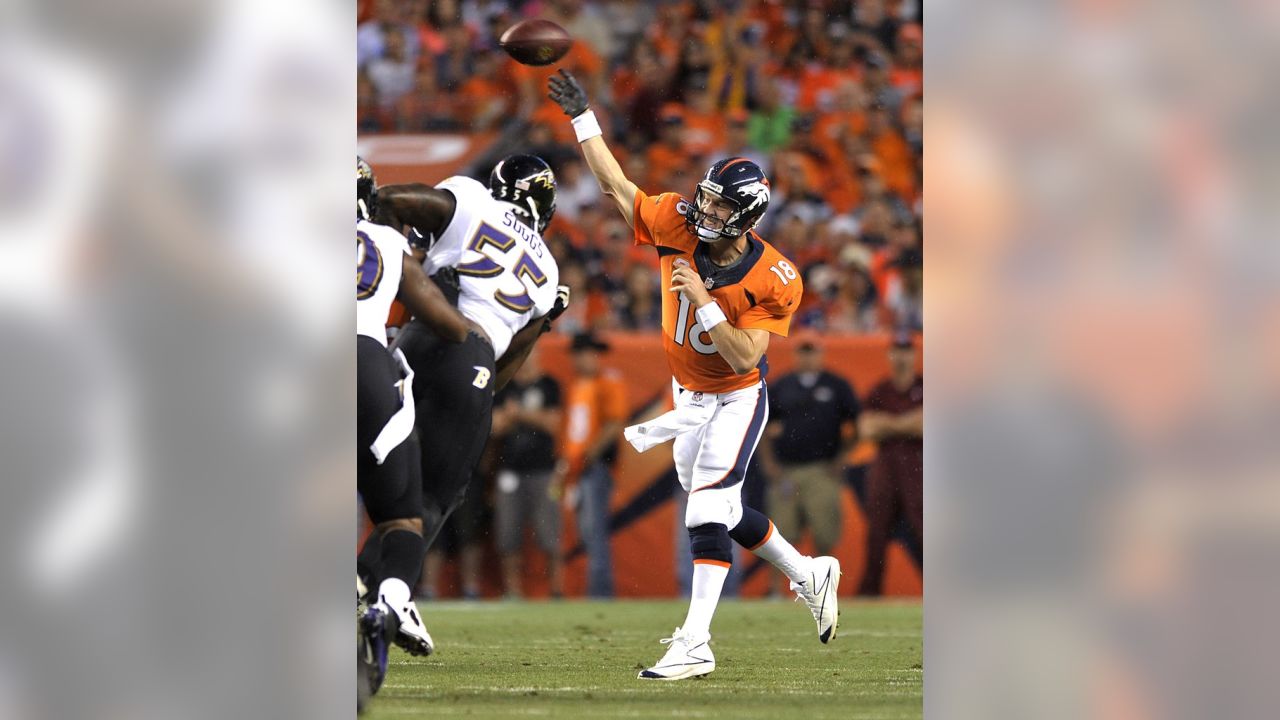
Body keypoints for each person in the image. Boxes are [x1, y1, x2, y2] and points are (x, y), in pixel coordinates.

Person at [548, 70, 842, 681]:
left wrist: (705, 302)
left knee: (707, 508)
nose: (704, 209)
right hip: (688, 395)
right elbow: (616, 187)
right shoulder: (678, 224)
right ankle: (809, 572)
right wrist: (584, 120)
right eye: (704, 196)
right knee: (723, 512)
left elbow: (742, 357)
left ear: (746, 217)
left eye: (719, 205)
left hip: (736, 398)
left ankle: (696, 641)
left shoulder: (775, 276)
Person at [374, 154, 571, 555]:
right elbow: (497, 378)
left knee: (369, 464)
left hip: (413, 338)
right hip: (473, 362)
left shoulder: (471, 197)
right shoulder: (548, 272)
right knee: (433, 495)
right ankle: (377, 591)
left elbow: (389, 199)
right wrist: (545, 322)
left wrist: (399, 275)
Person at [354, 158, 470, 690]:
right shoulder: (385, 239)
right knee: (401, 520)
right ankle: (390, 603)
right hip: (368, 368)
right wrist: (444, 287)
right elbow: (449, 327)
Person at [758, 338, 861, 573]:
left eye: (811, 352)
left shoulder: (836, 385)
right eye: (803, 352)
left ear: (821, 354)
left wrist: (841, 460)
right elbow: (762, 425)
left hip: (821, 469)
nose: (807, 358)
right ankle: (775, 593)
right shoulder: (781, 386)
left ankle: (822, 587)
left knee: (825, 534)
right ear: (795, 354)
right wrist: (769, 463)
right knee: (779, 539)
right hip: (787, 471)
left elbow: (855, 426)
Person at [492, 346, 565, 598]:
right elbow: (494, 426)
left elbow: (553, 424)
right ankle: (513, 590)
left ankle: (556, 589)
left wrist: (518, 414)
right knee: (507, 533)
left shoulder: (548, 384)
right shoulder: (505, 385)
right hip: (509, 470)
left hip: (544, 470)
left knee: (549, 533)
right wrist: (530, 417)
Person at [561, 332, 628, 598]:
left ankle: (600, 592)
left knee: (594, 531)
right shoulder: (577, 384)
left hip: (595, 467)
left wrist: (589, 456)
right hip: (578, 468)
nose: (590, 358)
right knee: (587, 532)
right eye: (586, 353)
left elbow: (614, 423)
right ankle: (597, 590)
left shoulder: (608, 381)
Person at [856, 332, 923, 595]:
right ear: (889, 354)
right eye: (898, 350)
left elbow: (927, 425)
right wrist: (909, 422)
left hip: (919, 466)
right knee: (876, 534)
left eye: (907, 350)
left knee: (926, 531)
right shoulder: (880, 389)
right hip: (886, 467)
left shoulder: (925, 385)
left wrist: (888, 424)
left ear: (915, 354)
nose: (902, 356)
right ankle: (869, 595)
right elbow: (867, 430)